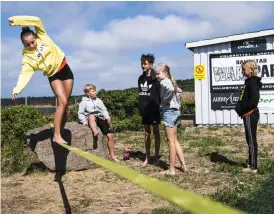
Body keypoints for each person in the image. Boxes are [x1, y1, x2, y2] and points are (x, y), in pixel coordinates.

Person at [9, 16, 74, 145]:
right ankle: (56, 135)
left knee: (65, 106)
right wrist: (17, 88)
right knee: (63, 101)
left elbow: (37, 20)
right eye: (27, 44)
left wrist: (17, 21)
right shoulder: (27, 57)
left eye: (33, 42)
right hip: (53, 75)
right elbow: (25, 74)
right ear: (23, 44)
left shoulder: (42, 37)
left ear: (35, 38)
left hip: (65, 69)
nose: (31, 45)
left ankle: (59, 131)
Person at [154, 63, 187, 175]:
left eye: (158, 74)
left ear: (165, 73)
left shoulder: (164, 82)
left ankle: (172, 169)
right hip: (176, 111)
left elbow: (171, 90)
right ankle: (183, 165)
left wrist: (165, 102)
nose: (157, 76)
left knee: (170, 141)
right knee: (175, 140)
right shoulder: (171, 80)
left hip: (169, 112)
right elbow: (179, 91)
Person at [78, 84, 119, 162]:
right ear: (88, 93)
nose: (95, 92)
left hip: (100, 117)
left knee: (110, 135)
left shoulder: (99, 100)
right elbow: (80, 113)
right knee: (91, 117)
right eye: (93, 91)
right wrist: (84, 121)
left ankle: (112, 155)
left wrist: (107, 117)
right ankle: (94, 131)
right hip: (90, 117)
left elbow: (104, 109)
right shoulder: (83, 102)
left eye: (95, 90)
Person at [235, 60, 262, 173]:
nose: (242, 71)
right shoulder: (248, 82)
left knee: (251, 139)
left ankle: (253, 167)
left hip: (250, 114)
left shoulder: (252, 83)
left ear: (251, 70)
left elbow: (253, 101)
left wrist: (241, 108)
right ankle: (251, 163)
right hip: (247, 114)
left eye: (244, 69)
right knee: (249, 139)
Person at [138, 54, 161, 166]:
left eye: (145, 63)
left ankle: (156, 156)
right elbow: (141, 94)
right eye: (142, 63)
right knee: (146, 133)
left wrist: (160, 106)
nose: (143, 65)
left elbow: (160, 93)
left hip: (155, 108)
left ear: (151, 64)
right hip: (145, 110)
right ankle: (147, 157)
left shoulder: (156, 77)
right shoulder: (140, 78)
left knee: (156, 132)